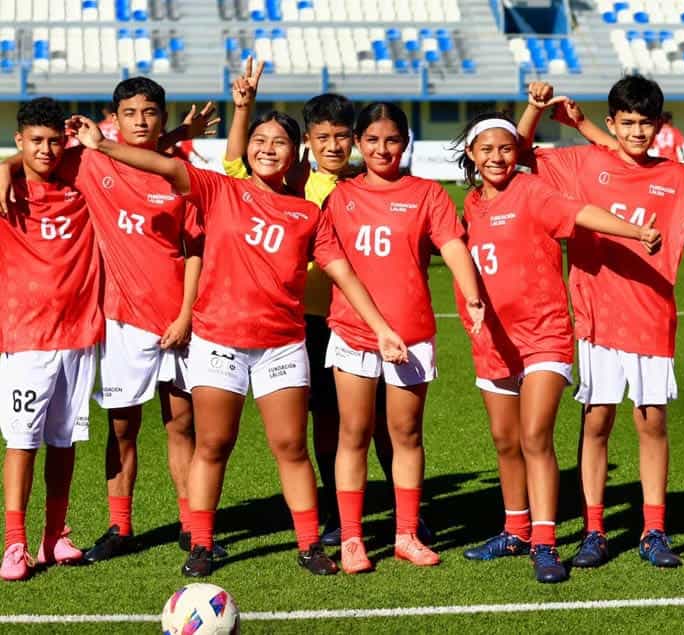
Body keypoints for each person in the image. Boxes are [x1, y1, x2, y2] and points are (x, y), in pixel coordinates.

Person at [68, 104, 407, 577]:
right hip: (219, 340)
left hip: (281, 344)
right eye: (260, 141)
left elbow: (343, 273)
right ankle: (202, 545)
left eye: (279, 143)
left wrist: (382, 328)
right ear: (247, 148)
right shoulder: (218, 189)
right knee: (214, 443)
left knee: (290, 446)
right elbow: (165, 165)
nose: (268, 150)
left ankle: (309, 544)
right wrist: (102, 145)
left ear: (295, 153)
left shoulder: (307, 214)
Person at [518, 78, 684, 569]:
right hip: (597, 318)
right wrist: (535, 109)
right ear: (612, 124)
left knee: (651, 424)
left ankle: (654, 530)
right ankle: (595, 530)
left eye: (647, 122)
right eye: (628, 122)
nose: (638, 131)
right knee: (597, 422)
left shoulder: (679, 178)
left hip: (651, 316)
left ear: (660, 125)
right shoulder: (581, 163)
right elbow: (518, 155)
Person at [0, 78, 218, 562]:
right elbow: (41, 150)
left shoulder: (179, 175)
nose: (141, 121)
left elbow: (197, 247)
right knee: (122, 430)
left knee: (181, 426)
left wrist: (186, 314)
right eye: (130, 113)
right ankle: (120, 526)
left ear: (162, 117)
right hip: (119, 320)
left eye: (151, 113)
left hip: (180, 320)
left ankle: (190, 524)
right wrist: (6, 165)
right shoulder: (90, 162)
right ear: (113, 118)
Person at [453, 112, 660, 583]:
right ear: (471, 154)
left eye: (505, 148)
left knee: (534, 437)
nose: (496, 157)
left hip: (543, 334)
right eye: (486, 149)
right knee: (506, 442)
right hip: (491, 340)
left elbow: (580, 213)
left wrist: (636, 230)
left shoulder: (531, 191)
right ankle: (515, 529)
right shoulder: (469, 206)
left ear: (517, 152)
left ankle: (545, 543)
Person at [220, 59, 419, 546]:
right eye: (323, 137)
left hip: (366, 321)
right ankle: (336, 512)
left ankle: (404, 514)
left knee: (384, 425)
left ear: (354, 139)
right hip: (309, 322)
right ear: (307, 140)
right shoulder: (292, 184)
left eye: (342, 136)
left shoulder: (363, 182)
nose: (334, 146)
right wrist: (241, 109)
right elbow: (235, 167)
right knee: (328, 421)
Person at [323, 102, 483, 574]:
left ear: (405, 142)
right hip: (353, 333)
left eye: (391, 139)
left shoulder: (427, 194)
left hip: (411, 335)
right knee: (352, 434)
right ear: (357, 143)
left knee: (406, 434)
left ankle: (406, 535)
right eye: (371, 140)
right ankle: (352, 539)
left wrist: (471, 293)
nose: (382, 149)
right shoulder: (340, 197)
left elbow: (452, 244)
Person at [0, 98, 103, 581]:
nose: (46, 150)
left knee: (64, 440)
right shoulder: (7, 188)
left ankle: (53, 535)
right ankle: (15, 543)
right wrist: (6, 165)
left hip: (80, 333)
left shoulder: (82, 180)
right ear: (19, 141)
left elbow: (125, 145)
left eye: (53, 141)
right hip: (24, 336)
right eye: (34, 142)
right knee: (23, 442)